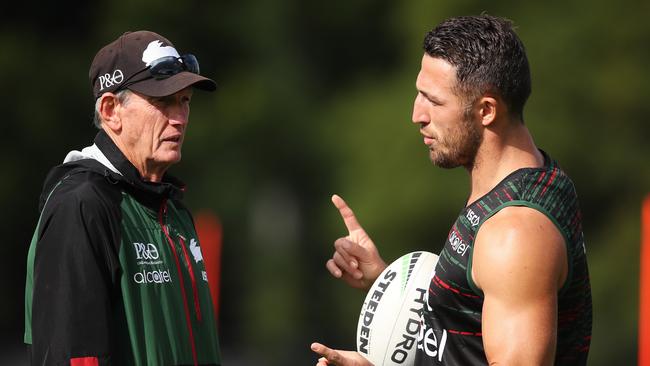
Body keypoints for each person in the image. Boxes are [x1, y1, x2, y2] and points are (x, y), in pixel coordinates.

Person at [311, 15, 592, 365]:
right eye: (419, 94)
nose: (417, 114)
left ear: (486, 110)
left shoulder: (515, 234)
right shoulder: (521, 182)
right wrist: (386, 281)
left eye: (434, 101)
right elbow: (469, 320)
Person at [24, 30, 222, 365]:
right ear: (111, 109)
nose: (180, 118)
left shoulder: (173, 211)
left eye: (184, 100)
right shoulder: (82, 205)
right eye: (162, 102)